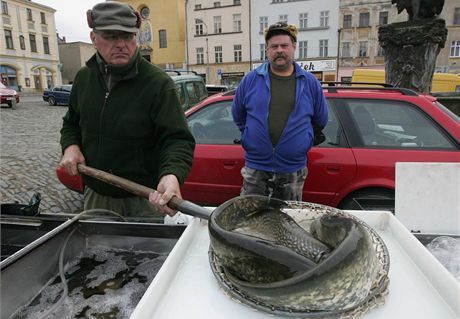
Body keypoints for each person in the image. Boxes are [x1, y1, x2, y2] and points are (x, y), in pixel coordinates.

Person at [59, 1, 195, 218]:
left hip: (144, 201)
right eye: (111, 36)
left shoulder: (158, 83)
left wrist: (172, 174)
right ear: (94, 38)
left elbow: (177, 139)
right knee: (97, 251)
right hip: (96, 196)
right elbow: (71, 123)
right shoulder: (84, 79)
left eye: (128, 36)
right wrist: (71, 146)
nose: (121, 44)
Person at [232, 22, 328, 201]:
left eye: (284, 45)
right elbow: (238, 115)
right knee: (251, 222)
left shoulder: (310, 82)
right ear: (267, 50)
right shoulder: (251, 80)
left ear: (294, 47)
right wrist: (251, 137)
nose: (279, 50)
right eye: (274, 46)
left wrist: (301, 141)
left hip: (293, 169)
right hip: (256, 167)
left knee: (288, 222)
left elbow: (320, 119)